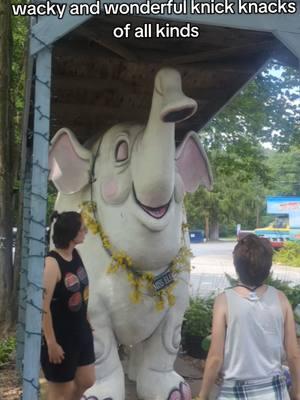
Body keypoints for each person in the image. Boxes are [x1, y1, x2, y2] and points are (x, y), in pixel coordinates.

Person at [197, 233, 300, 400]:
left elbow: (215, 357)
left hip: (233, 392)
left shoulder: (224, 301)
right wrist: (297, 391)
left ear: (236, 267)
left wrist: (203, 395)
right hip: (274, 391)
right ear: (268, 269)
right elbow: (293, 354)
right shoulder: (281, 299)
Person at [41, 211, 95, 400]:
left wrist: (87, 321)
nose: (86, 232)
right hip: (60, 338)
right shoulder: (52, 264)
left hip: (80, 333)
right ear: (72, 233)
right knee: (60, 393)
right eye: (82, 228)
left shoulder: (76, 254)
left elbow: (81, 292)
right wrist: (51, 343)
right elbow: (43, 307)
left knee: (87, 379)